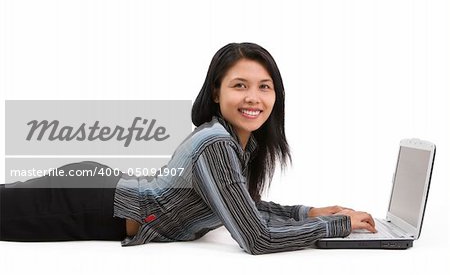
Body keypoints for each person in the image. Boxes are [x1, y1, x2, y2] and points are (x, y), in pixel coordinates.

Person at [0, 42, 376, 255]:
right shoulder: (215, 144)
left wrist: (306, 212)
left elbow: (241, 205)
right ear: (216, 91)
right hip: (87, 204)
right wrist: (335, 225)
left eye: (265, 87)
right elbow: (256, 238)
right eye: (240, 85)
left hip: (102, 192)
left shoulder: (239, 143)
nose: (254, 97)